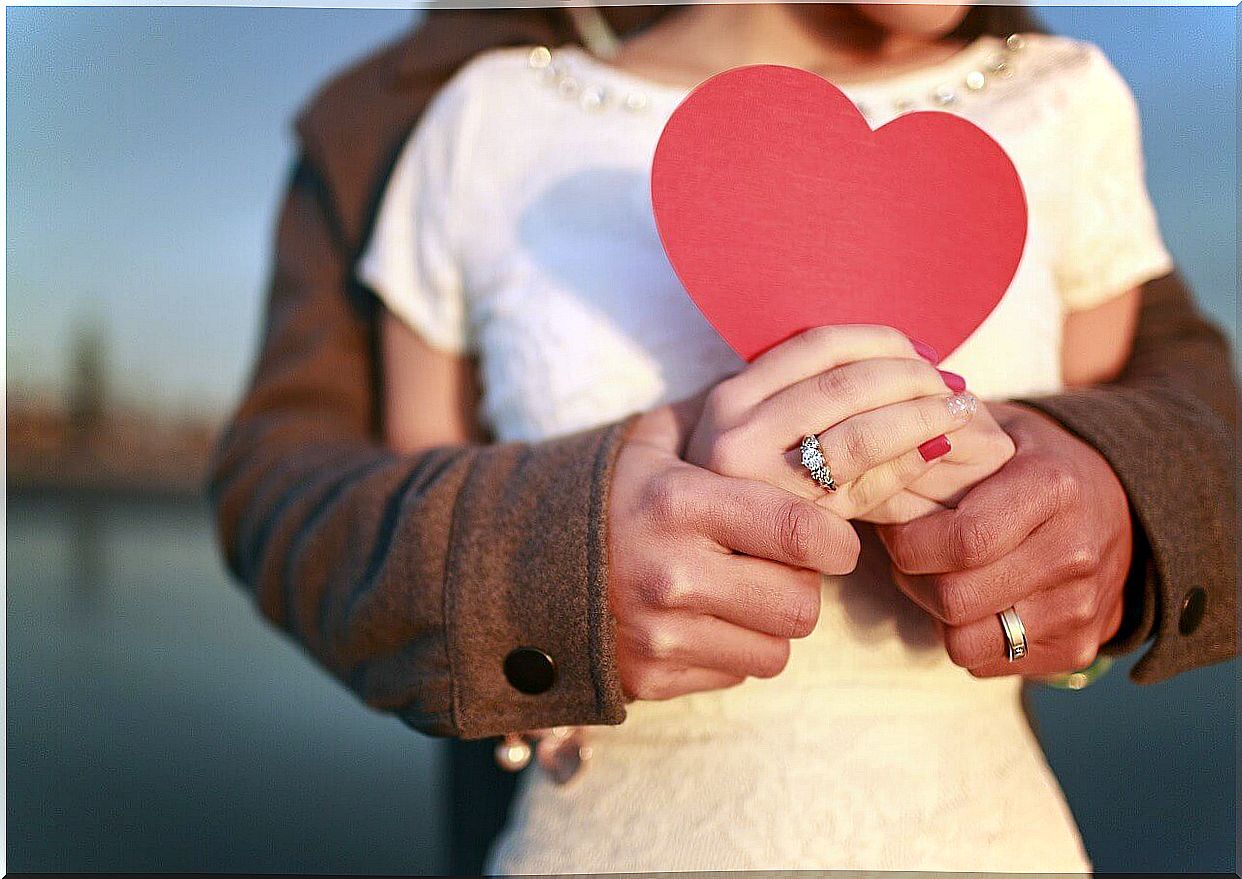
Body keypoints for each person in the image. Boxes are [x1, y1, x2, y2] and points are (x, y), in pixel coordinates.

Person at [210, 6, 1237, 873]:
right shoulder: (484, 122)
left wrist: (1086, 512)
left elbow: (1155, 433)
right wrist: (541, 554)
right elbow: (377, 492)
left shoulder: (1066, 102)